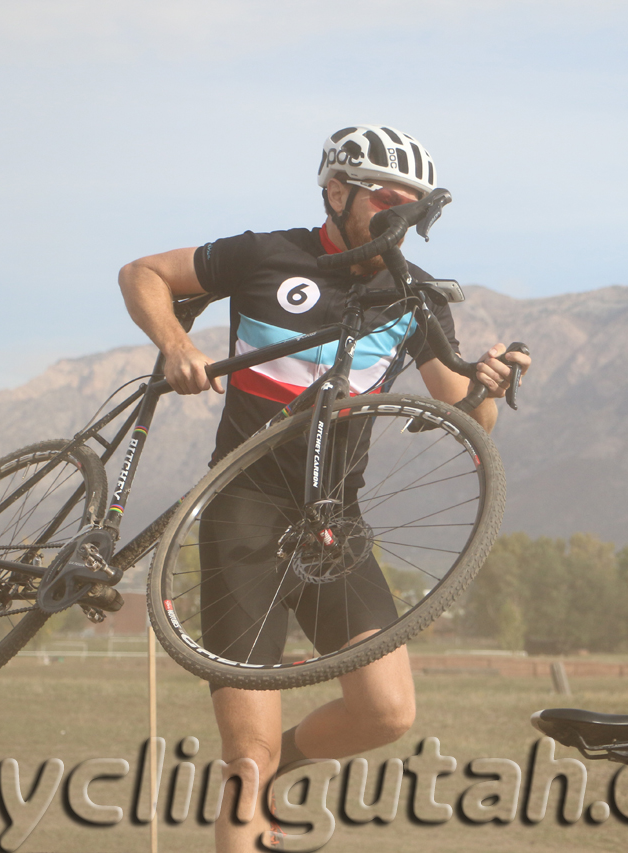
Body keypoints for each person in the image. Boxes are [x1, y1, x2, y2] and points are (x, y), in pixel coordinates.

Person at [117, 124, 529, 851]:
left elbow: (471, 416)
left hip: (335, 523)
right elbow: (142, 272)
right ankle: (258, 777)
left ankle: (280, 770)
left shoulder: (417, 298)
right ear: (336, 191)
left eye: (415, 207)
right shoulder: (267, 254)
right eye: (386, 199)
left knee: (386, 713)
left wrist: (488, 382)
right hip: (245, 513)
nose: (401, 216)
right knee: (248, 754)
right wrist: (178, 344)